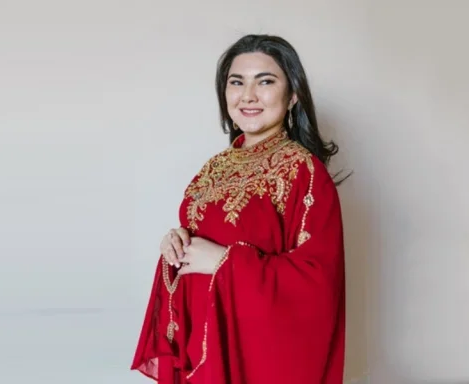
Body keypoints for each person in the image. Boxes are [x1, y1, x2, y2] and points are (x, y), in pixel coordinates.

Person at [131, 34, 348, 384]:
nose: (248, 95)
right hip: (201, 352)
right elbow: (203, 239)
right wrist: (176, 243)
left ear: (292, 95)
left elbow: (318, 284)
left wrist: (224, 262)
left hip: (254, 361)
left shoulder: (304, 173)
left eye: (265, 81)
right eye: (237, 82)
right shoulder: (212, 169)